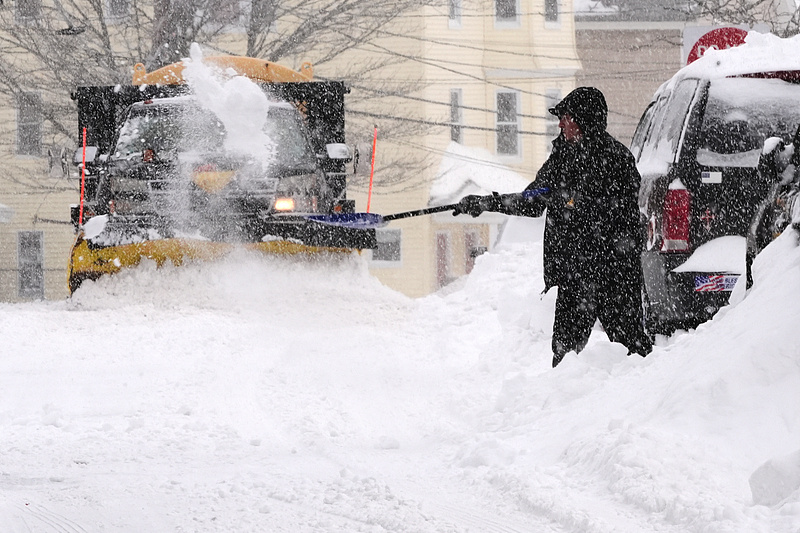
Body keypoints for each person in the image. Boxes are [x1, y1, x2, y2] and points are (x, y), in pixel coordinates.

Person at [453, 87, 653, 367]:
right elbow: (532, 201)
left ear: (583, 119)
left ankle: (643, 405)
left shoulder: (617, 160)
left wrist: (574, 200)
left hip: (614, 273)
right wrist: (487, 203)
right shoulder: (562, 157)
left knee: (633, 352)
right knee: (565, 358)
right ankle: (563, 409)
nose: (560, 123)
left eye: (566, 117)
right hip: (575, 273)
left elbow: (622, 218)